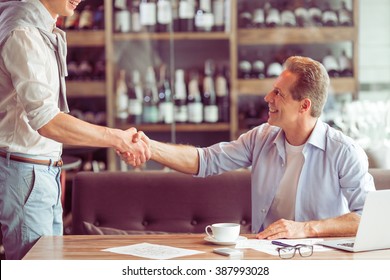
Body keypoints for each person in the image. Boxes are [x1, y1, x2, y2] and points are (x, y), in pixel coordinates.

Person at [123, 55, 375, 240]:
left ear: (304, 106)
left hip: (321, 262)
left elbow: (370, 218)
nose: (268, 98)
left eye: (279, 93)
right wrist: (149, 146)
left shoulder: (344, 152)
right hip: (264, 254)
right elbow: (205, 160)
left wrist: (307, 228)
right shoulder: (261, 137)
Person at [0, 0, 150, 260]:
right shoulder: (23, 33)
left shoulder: (37, 26)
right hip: (26, 174)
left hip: (38, 173)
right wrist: (118, 138)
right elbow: (47, 121)